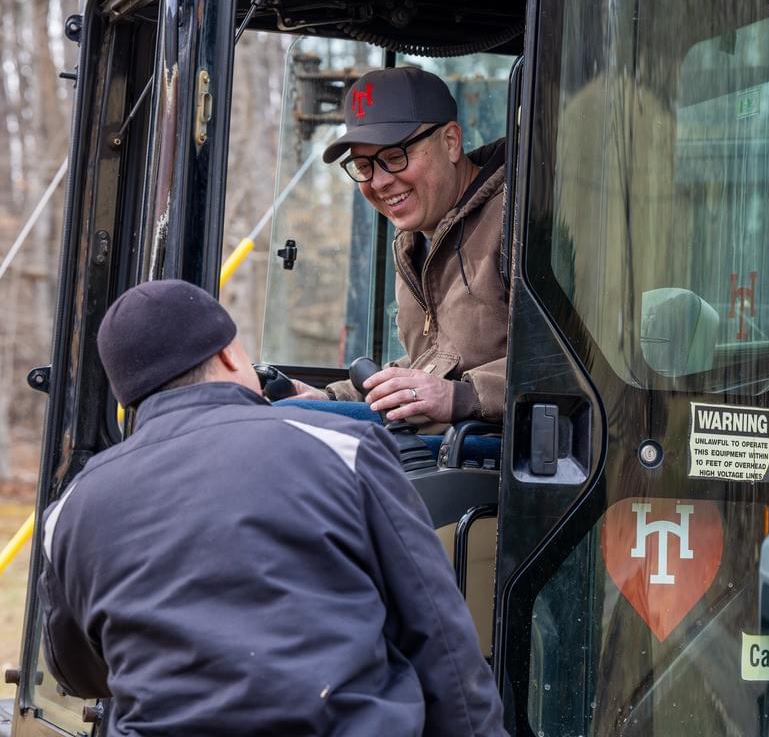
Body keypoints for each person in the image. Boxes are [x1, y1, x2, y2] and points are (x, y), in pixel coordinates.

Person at [39, 279, 506, 737]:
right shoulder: (345, 450)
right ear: (229, 354)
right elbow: (437, 636)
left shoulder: (74, 505)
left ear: (126, 396)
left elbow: (75, 672)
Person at [290, 67, 508, 431]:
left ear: (451, 142)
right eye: (363, 166)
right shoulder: (417, 239)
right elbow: (436, 363)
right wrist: (332, 399)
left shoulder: (520, 218)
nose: (379, 182)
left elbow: (571, 365)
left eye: (394, 158)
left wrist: (463, 397)